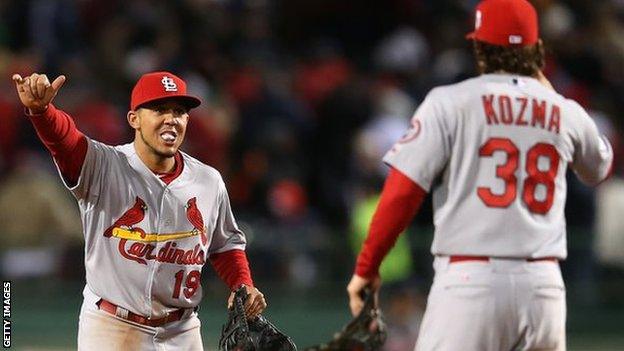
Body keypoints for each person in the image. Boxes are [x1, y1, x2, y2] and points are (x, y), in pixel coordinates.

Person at [346, 0, 614, 350]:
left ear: (479, 47)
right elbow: (599, 168)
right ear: (537, 50)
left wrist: (367, 268)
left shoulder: (450, 103)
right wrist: (550, 98)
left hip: (470, 281)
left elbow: (402, 192)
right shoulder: (564, 110)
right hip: (543, 287)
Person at [12, 70, 267, 350]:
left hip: (183, 330)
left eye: (179, 111)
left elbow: (225, 245)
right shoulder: (103, 164)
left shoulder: (208, 180)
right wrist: (41, 111)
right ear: (134, 119)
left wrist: (242, 284)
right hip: (112, 327)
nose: (171, 118)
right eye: (159, 109)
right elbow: (64, 140)